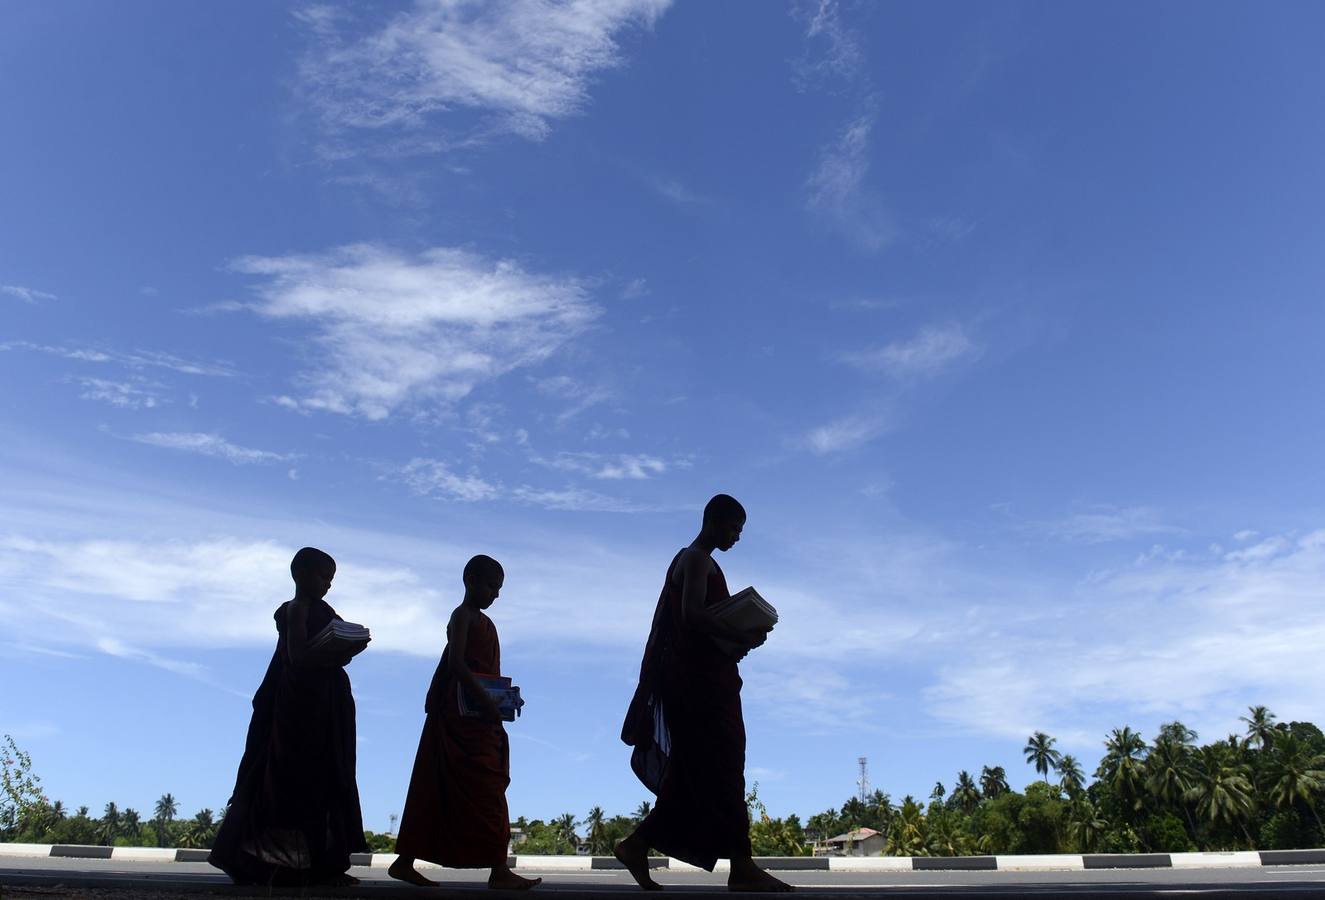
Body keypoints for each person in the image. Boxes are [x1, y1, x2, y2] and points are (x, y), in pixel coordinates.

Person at [617, 495, 792, 892]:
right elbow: (691, 615)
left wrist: (737, 638)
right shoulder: (695, 559)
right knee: (723, 765)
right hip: (697, 685)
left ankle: (638, 844)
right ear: (714, 522)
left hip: (708, 678)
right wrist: (742, 633)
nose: (736, 536)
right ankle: (742, 866)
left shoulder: (704, 562)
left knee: (700, 772)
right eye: (734, 528)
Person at [209, 547, 368, 887]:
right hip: (298, 709)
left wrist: (347, 649)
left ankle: (322, 865)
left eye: (330, 579)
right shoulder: (297, 609)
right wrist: (334, 654)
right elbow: (297, 657)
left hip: (324, 705)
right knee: (295, 784)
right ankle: (279, 865)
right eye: (322, 577)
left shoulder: (322, 609)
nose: (327, 585)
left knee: (325, 780)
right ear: (300, 575)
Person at [389, 554, 540, 891]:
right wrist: (485, 699)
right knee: (444, 786)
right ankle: (493, 869)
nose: (495, 595)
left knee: (486, 788)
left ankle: (492, 868)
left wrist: (505, 697)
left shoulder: (487, 624)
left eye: (499, 589)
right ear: (470, 580)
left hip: (481, 720)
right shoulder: (462, 617)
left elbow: (485, 673)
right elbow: (457, 664)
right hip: (458, 719)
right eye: (491, 586)